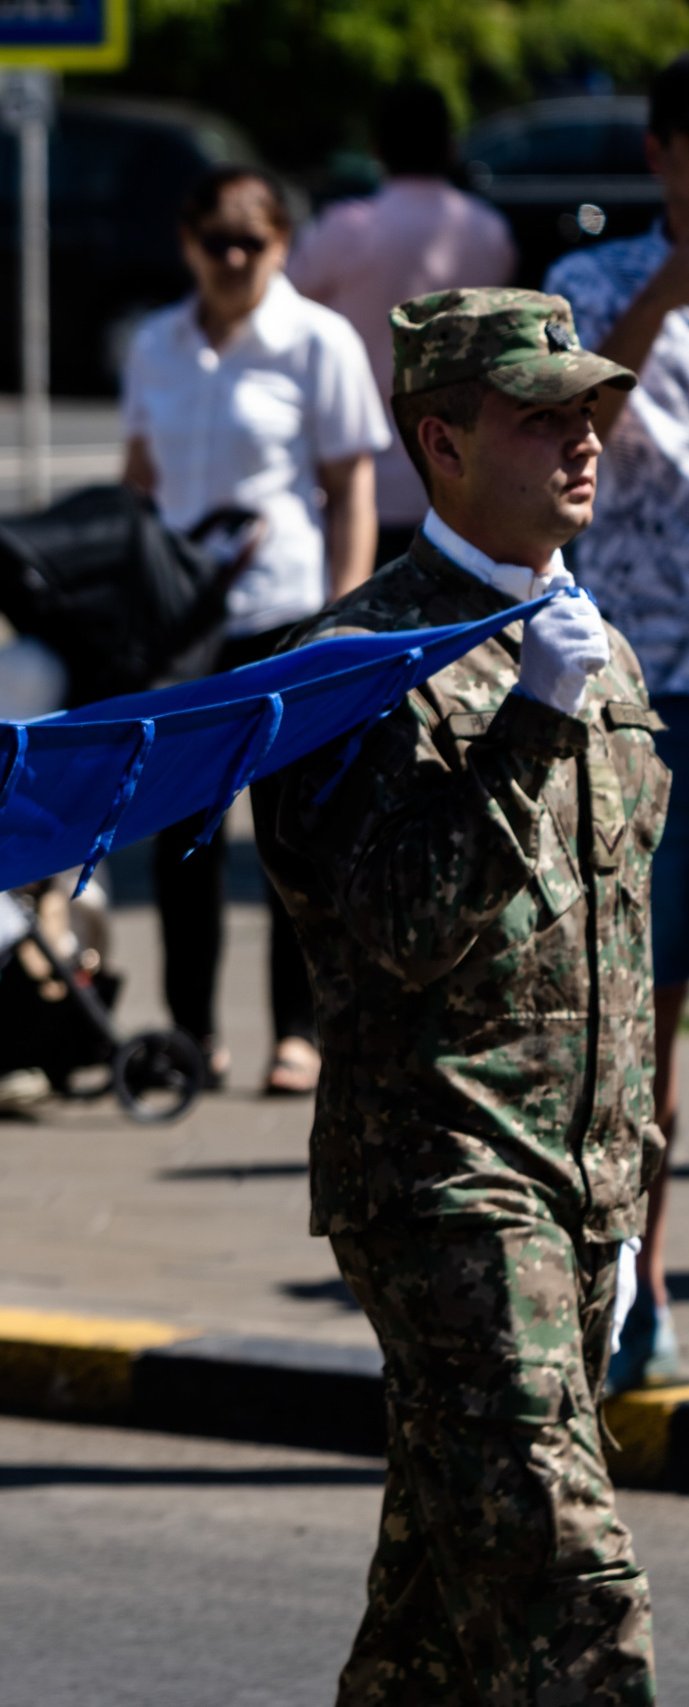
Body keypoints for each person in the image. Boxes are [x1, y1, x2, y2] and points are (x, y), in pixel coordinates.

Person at [253, 288, 662, 1704]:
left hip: (581, 1180)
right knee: (568, 1571)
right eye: (538, 416)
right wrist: (528, 725)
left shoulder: (586, 639)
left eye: (588, 410)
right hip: (446, 1176)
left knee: (440, 1600)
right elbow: (394, 924)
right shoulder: (347, 669)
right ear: (439, 439)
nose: (583, 439)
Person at [121, 164, 389, 1097]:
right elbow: (140, 477)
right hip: (185, 620)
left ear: (282, 246)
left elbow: (351, 482)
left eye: (253, 242)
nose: (234, 259)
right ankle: (193, 1029)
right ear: (188, 242)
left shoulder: (316, 340)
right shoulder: (157, 343)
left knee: (291, 834)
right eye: (216, 241)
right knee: (180, 832)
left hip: (286, 610)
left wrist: (345, 613)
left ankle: (296, 1029)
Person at [545, 51, 689, 1392]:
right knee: (641, 1016)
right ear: (662, 156)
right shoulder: (591, 290)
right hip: (648, 698)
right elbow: (580, 423)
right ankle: (634, 1292)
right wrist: (665, 291)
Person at [288, 80, 517, 563]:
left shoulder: (347, 230)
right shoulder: (488, 232)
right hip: (467, 482)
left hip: (363, 485)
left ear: (375, 148)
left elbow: (288, 308)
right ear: (450, 147)